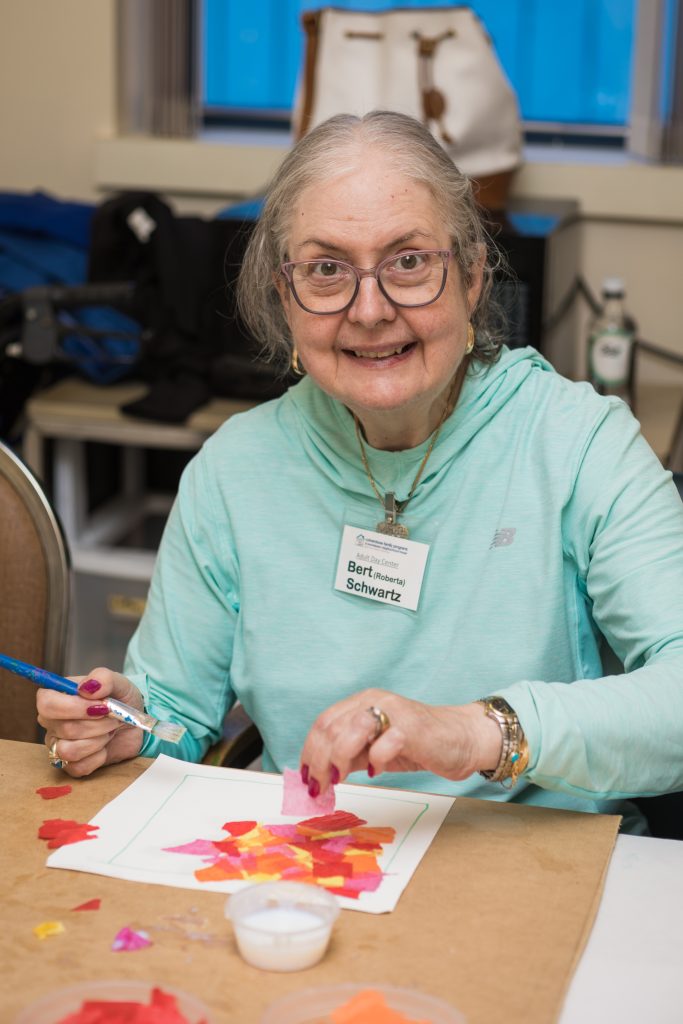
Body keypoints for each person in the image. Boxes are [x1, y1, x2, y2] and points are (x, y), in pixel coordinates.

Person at [37, 111, 683, 833]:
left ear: (472, 277)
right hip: (310, 872)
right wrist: (126, 725)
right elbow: (175, 719)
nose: (369, 310)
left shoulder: (579, 444)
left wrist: (475, 733)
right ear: (285, 298)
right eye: (326, 269)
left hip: (538, 870)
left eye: (408, 261)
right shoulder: (234, 469)